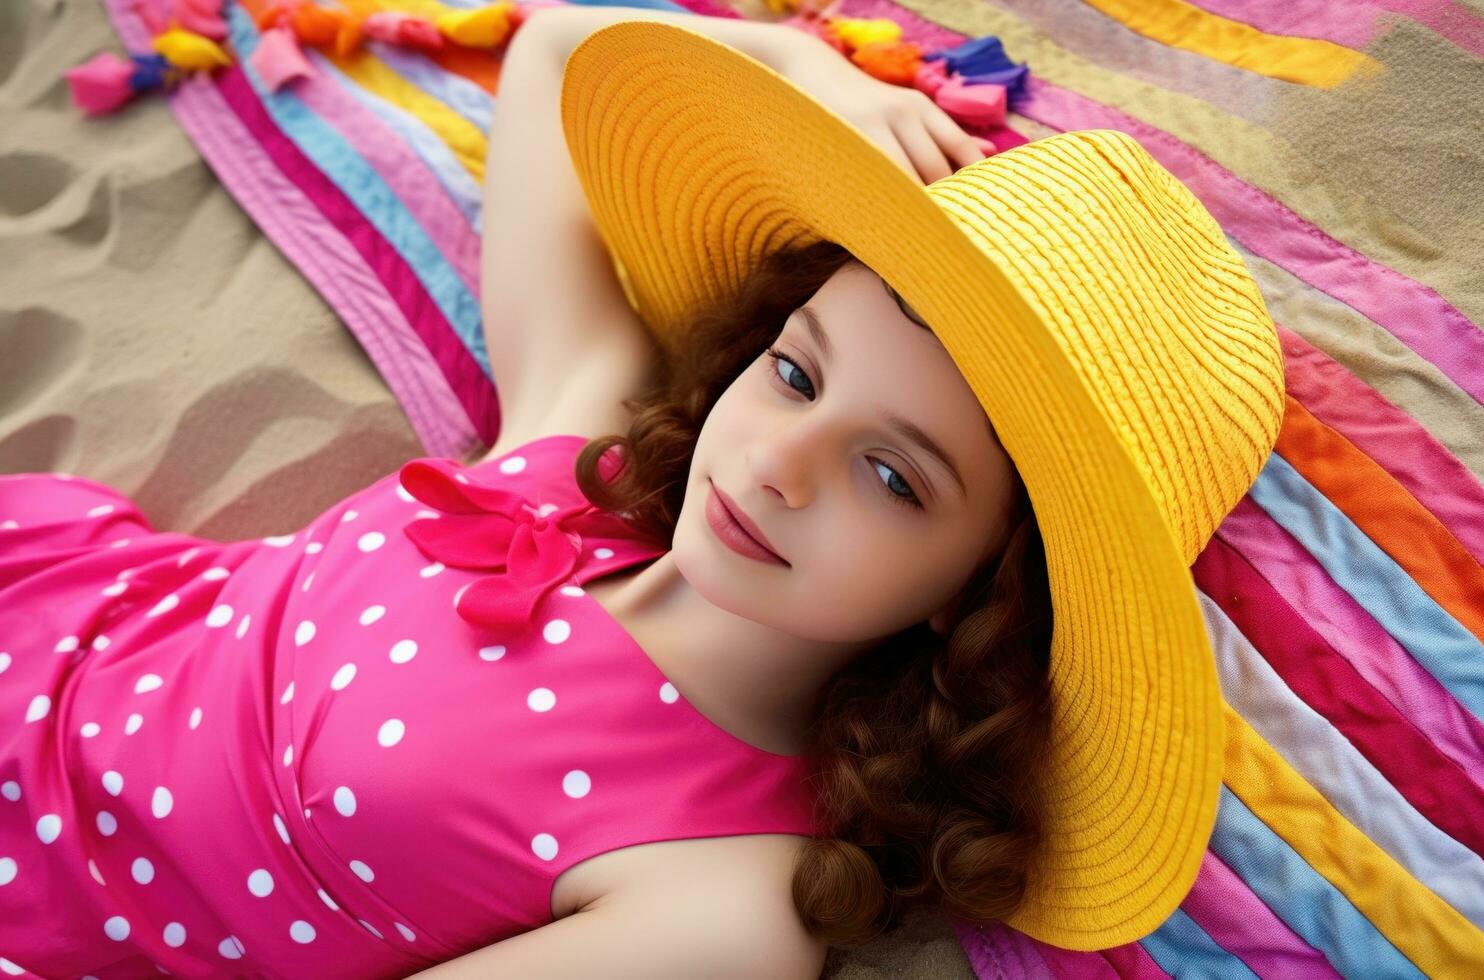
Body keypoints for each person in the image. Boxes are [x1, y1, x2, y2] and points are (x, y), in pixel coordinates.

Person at [0, 6, 1287, 980]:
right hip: (47, 593)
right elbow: (560, 49)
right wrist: (811, 78)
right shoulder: (582, 451)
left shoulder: (728, 892)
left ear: (981, 590)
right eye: (796, 371)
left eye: (892, 474)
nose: (778, 462)